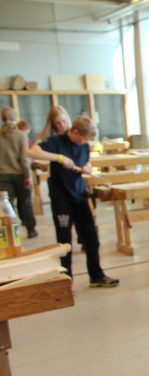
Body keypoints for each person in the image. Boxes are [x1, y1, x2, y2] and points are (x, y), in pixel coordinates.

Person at [28, 116, 119, 287]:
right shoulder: (57, 142)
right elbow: (32, 152)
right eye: (83, 138)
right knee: (64, 242)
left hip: (80, 195)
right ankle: (66, 279)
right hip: (62, 197)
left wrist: (87, 168)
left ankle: (96, 276)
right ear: (75, 131)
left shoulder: (83, 145)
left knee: (91, 238)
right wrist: (60, 158)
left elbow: (87, 162)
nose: (85, 142)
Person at [0, 107, 37, 238]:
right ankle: (31, 229)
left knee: (6, 205)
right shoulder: (21, 135)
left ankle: (10, 232)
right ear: (15, 119)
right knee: (25, 202)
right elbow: (24, 158)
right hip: (20, 174)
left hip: (3, 175)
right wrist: (28, 176)